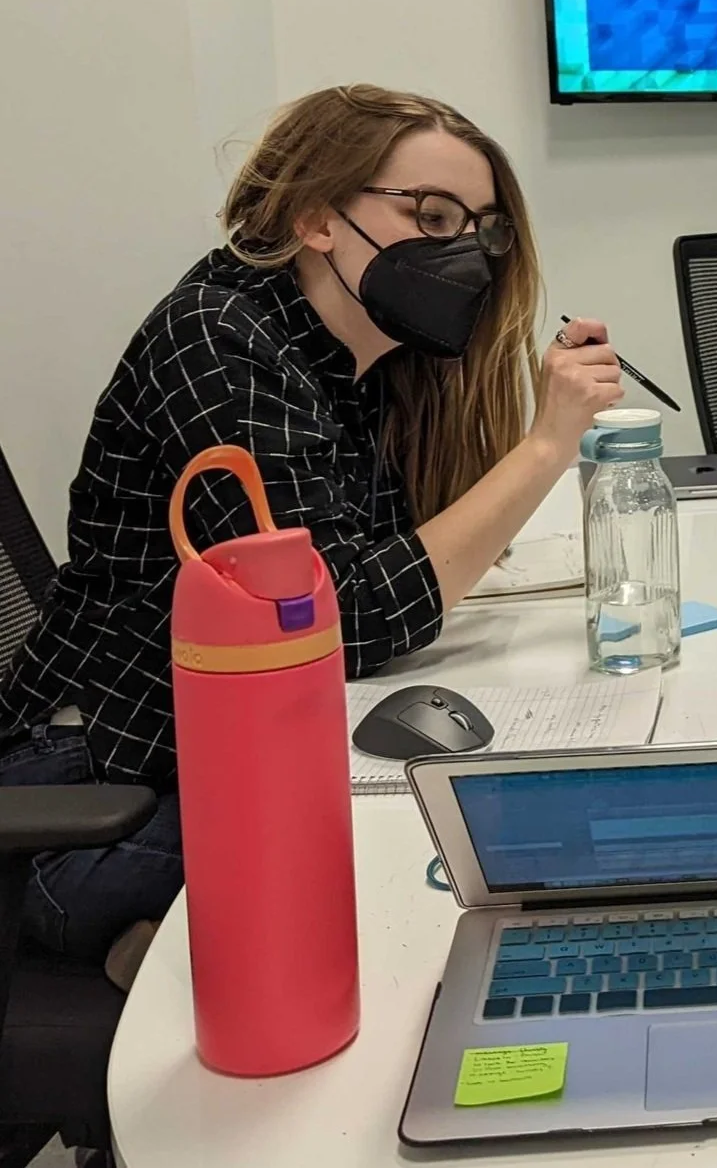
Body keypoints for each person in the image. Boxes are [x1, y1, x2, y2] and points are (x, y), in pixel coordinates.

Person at [0, 85, 627, 981]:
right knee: (456, 838)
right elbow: (349, 620)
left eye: (481, 229)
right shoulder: (219, 344)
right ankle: (162, 954)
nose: (465, 253)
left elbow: (364, 579)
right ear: (316, 218)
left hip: (209, 753)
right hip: (90, 807)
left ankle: (182, 952)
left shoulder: (347, 351)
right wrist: (546, 443)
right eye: (434, 215)